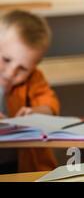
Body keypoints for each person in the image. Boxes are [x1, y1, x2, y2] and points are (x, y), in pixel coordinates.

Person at [0, 10, 60, 173]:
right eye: (6, 60)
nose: (11, 73)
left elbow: (50, 104)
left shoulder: (34, 78)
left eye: (23, 68)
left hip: (23, 165)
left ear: (34, 66)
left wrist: (36, 112)